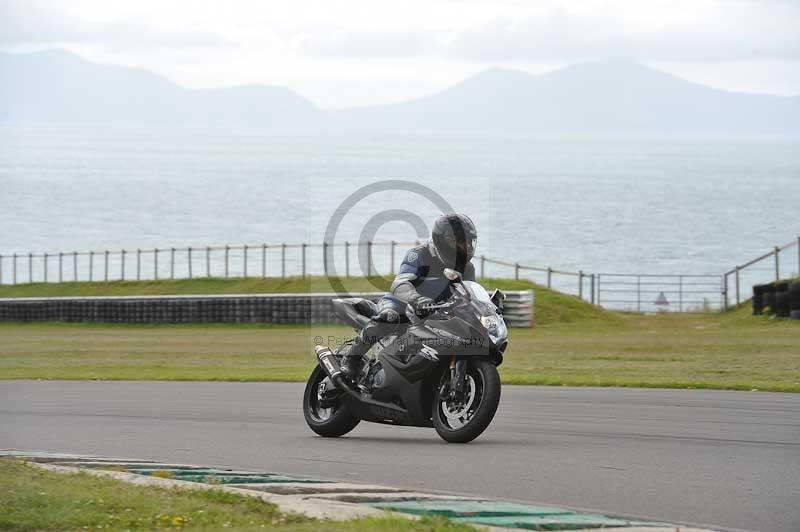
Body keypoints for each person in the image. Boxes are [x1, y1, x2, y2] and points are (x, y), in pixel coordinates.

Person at [339, 213, 478, 379]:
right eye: (463, 242)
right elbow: (399, 284)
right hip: (401, 304)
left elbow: (469, 295)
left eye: (470, 241)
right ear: (445, 240)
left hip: (435, 313)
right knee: (389, 317)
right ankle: (351, 358)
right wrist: (417, 299)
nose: (468, 247)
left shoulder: (467, 268)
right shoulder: (419, 254)